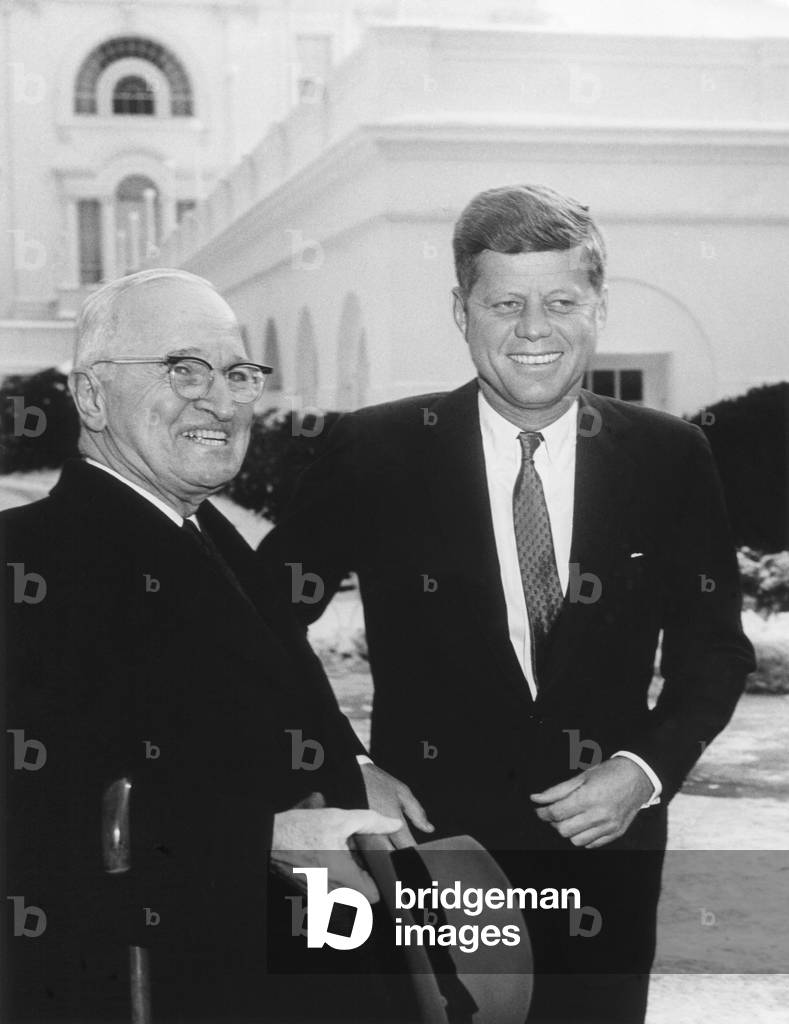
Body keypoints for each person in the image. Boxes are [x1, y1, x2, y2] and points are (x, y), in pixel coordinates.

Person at [257, 185, 756, 1023]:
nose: (533, 329)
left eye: (560, 301)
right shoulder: (376, 452)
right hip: (428, 850)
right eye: (504, 304)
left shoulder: (669, 458)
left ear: (597, 307)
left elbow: (716, 648)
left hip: (605, 853)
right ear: (462, 311)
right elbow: (258, 624)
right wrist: (344, 768)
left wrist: (642, 772)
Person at [1, 268, 417, 1022]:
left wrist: (350, 764)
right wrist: (265, 838)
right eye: (183, 370)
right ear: (91, 396)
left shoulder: (204, 531)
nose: (222, 402)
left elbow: (270, 695)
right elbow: (32, 815)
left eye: (237, 374)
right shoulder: (24, 563)